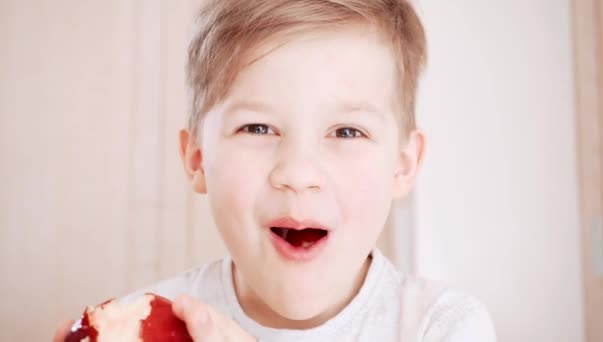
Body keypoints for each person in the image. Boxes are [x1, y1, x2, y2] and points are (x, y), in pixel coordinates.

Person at [54, 0, 496, 341]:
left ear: (403, 164)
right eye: (259, 127)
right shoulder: (144, 320)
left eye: (346, 132)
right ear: (198, 158)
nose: (299, 173)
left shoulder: (441, 326)